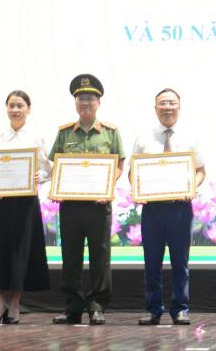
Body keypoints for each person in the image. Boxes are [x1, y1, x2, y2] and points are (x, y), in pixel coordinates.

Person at [49, 74, 125, 326]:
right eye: (81, 98)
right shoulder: (64, 133)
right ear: (75, 103)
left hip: (98, 205)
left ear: (98, 102)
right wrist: (56, 186)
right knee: (70, 257)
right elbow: (55, 165)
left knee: (99, 256)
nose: (85, 102)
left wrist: (107, 186)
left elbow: (119, 165)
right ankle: (72, 307)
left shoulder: (111, 133)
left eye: (90, 98)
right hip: (70, 206)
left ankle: (97, 306)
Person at [0, 90, 51, 324]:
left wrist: (39, 176)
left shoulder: (36, 138)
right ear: (6, 108)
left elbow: (48, 169)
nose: (15, 110)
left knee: (21, 253)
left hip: (25, 204)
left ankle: (15, 304)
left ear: (29, 109)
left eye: (20, 105)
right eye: (11, 105)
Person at [133, 88, 205, 326]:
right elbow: (134, 171)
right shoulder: (144, 138)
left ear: (179, 107)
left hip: (180, 208)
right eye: (162, 103)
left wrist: (192, 186)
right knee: (151, 262)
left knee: (180, 262)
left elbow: (200, 171)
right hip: (152, 209)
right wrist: (137, 190)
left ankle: (180, 309)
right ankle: (153, 309)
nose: (167, 107)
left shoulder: (190, 137)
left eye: (171, 103)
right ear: (156, 108)